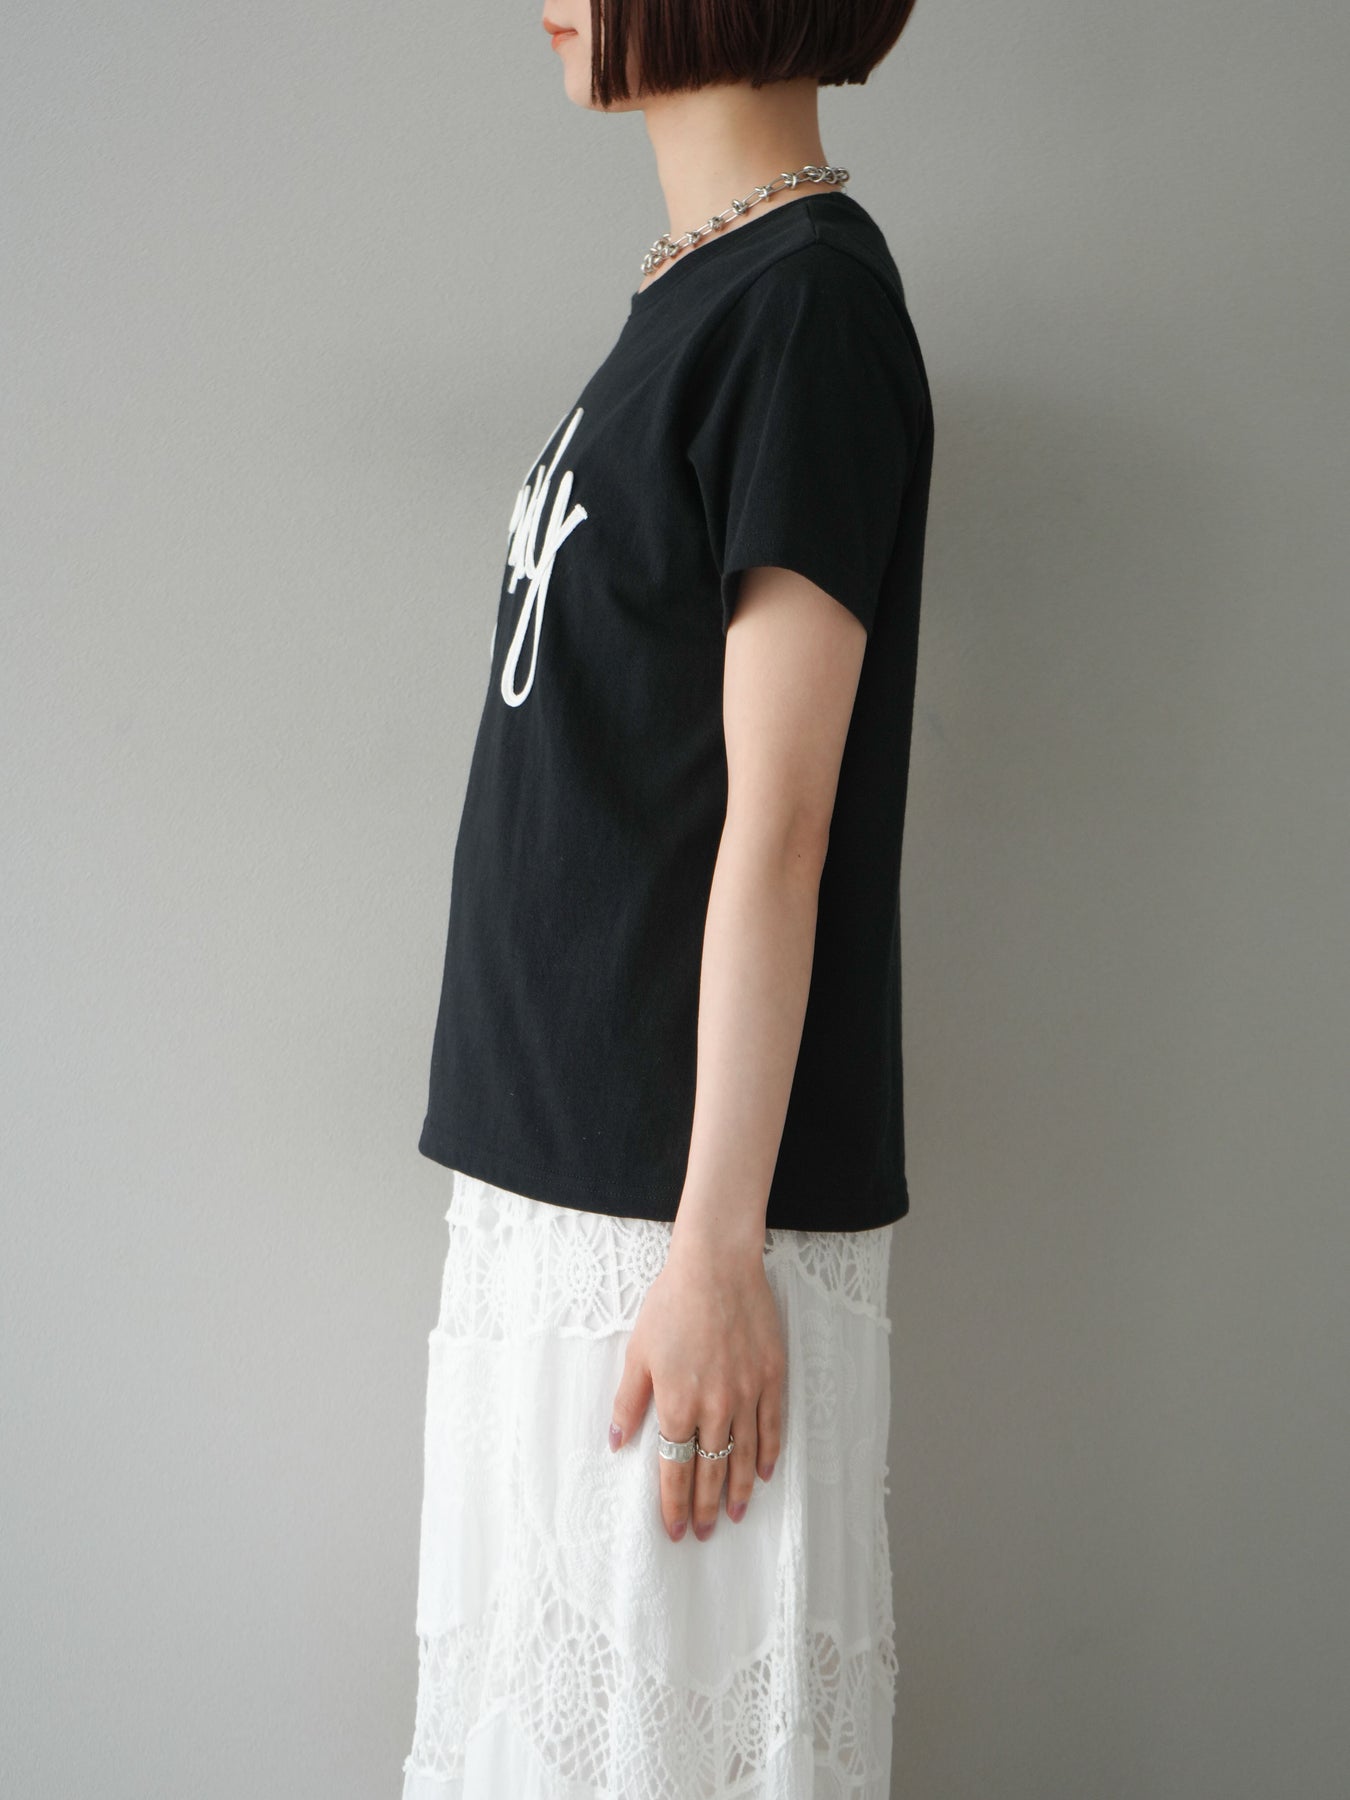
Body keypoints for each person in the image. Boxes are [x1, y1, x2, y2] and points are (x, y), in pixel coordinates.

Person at [401, 1, 933, 1794]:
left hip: (673, 1217)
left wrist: (715, 1249)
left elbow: (782, 820)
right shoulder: (693, 303)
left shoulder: (805, 308)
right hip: (559, 1191)